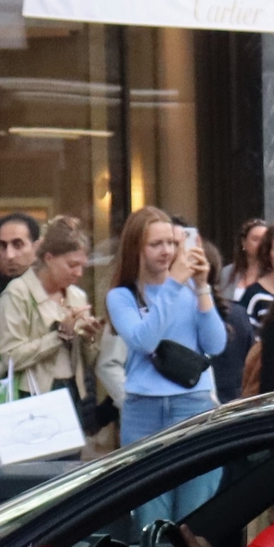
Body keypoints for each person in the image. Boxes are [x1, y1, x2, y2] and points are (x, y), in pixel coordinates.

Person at [107, 207, 227, 520]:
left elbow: (215, 344)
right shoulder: (122, 296)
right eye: (156, 244)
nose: (167, 251)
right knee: (151, 516)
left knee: (196, 513)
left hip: (193, 405)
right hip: (143, 411)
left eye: (172, 243)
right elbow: (144, 340)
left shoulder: (189, 290)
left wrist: (202, 287)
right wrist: (174, 283)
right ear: (137, 248)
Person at [0, 219, 103, 412]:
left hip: (74, 391)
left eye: (82, 266)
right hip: (32, 395)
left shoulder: (77, 295)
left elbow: (89, 360)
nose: (78, 273)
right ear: (49, 258)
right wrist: (60, 334)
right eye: (72, 265)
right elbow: (10, 358)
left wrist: (89, 337)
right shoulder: (18, 294)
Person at [0, 212, 41, 343]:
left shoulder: (49, 289)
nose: (9, 255)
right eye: (3, 246)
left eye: (18, 245)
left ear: (36, 247)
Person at [223, 220, 267, 300]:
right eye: (255, 239)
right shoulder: (227, 273)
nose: (261, 244)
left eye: (265, 240)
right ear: (244, 242)